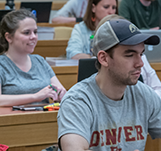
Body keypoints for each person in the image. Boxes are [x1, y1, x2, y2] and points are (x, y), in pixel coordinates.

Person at [57, 19, 161, 151]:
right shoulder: (77, 101)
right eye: (130, 55)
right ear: (104, 58)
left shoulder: (144, 94)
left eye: (141, 54)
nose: (140, 63)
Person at [0, 9, 67, 107]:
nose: (33, 37)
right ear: (9, 37)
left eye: (35, 32)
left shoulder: (40, 61)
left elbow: (60, 90)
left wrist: (61, 94)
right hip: (14, 120)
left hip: (44, 119)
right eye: (26, 33)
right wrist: (35, 97)